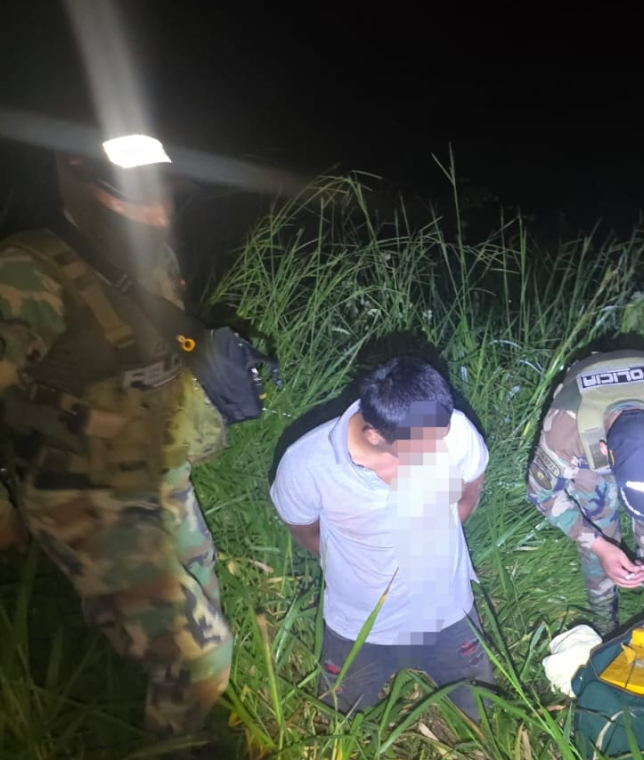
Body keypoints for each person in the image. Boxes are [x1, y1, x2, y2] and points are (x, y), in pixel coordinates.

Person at [0, 149, 233, 738]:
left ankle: (181, 721)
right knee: (198, 654)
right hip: (82, 493)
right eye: (136, 196)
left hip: (160, 473)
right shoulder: (29, 269)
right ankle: (170, 746)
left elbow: (161, 337)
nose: (157, 212)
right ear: (81, 188)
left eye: (164, 195)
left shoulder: (152, 253)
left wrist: (212, 354)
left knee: (203, 605)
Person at [269, 356, 495, 719]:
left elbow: (471, 486)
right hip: (359, 625)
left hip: (448, 612)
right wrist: (355, 564)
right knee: (339, 725)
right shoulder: (307, 464)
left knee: (483, 714)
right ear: (374, 435)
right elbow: (303, 528)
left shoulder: (454, 431)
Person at [526, 348, 644, 634]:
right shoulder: (565, 433)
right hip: (589, 441)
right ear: (606, 453)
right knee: (598, 527)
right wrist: (598, 545)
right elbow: (542, 494)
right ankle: (606, 630)